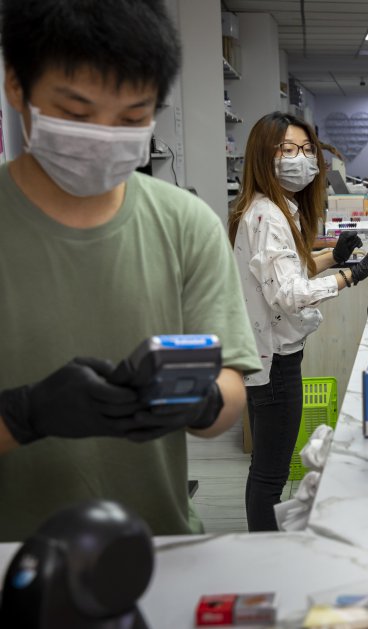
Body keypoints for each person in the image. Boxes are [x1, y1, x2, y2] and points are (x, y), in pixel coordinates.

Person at [0, 0, 261, 541]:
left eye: (132, 119)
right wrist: (23, 416)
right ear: (16, 88)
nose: (103, 137)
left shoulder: (186, 223)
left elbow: (231, 382)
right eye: (76, 114)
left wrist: (202, 400)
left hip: (159, 543)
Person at [228, 112, 368, 531]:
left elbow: (282, 275)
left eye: (306, 150)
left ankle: (264, 546)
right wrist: (350, 276)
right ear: (263, 155)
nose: (299, 159)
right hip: (275, 363)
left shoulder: (269, 208)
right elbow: (289, 295)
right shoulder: (268, 216)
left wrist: (333, 257)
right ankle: (267, 552)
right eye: (287, 149)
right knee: (270, 475)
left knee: (265, 467)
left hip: (269, 355)